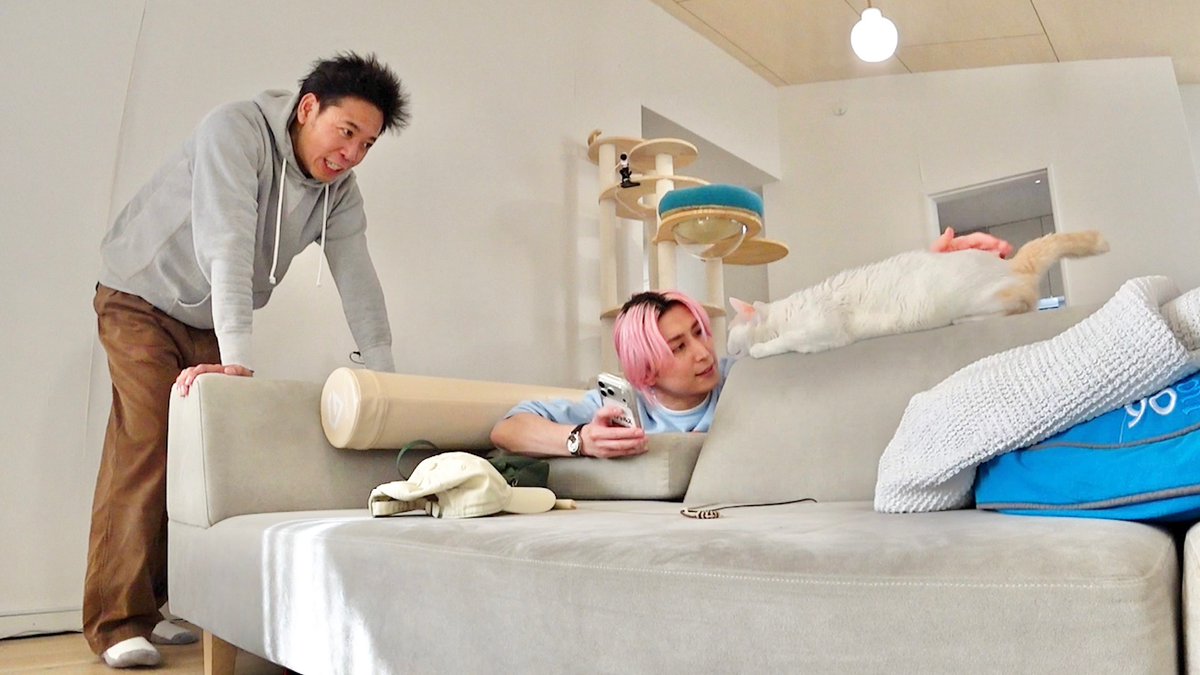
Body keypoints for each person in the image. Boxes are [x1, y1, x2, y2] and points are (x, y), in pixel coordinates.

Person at [85, 52, 408, 669]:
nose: (352, 154)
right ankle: (115, 619)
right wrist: (237, 359)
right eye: (346, 132)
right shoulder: (234, 130)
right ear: (308, 108)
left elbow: (359, 279)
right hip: (140, 298)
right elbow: (227, 241)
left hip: (206, 316)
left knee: (201, 461)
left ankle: (159, 603)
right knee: (146, 443)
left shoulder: (339, 193)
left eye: (367, 145)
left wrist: (387, 379)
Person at [489, 229, 1013, 460]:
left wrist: (930, 270)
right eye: (678, 347)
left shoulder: (743, 372)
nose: (702, 352)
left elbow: (848, 328)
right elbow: (507, 428)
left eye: (699, 332)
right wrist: (581, 440)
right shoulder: (622, 405)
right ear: (645, 370)